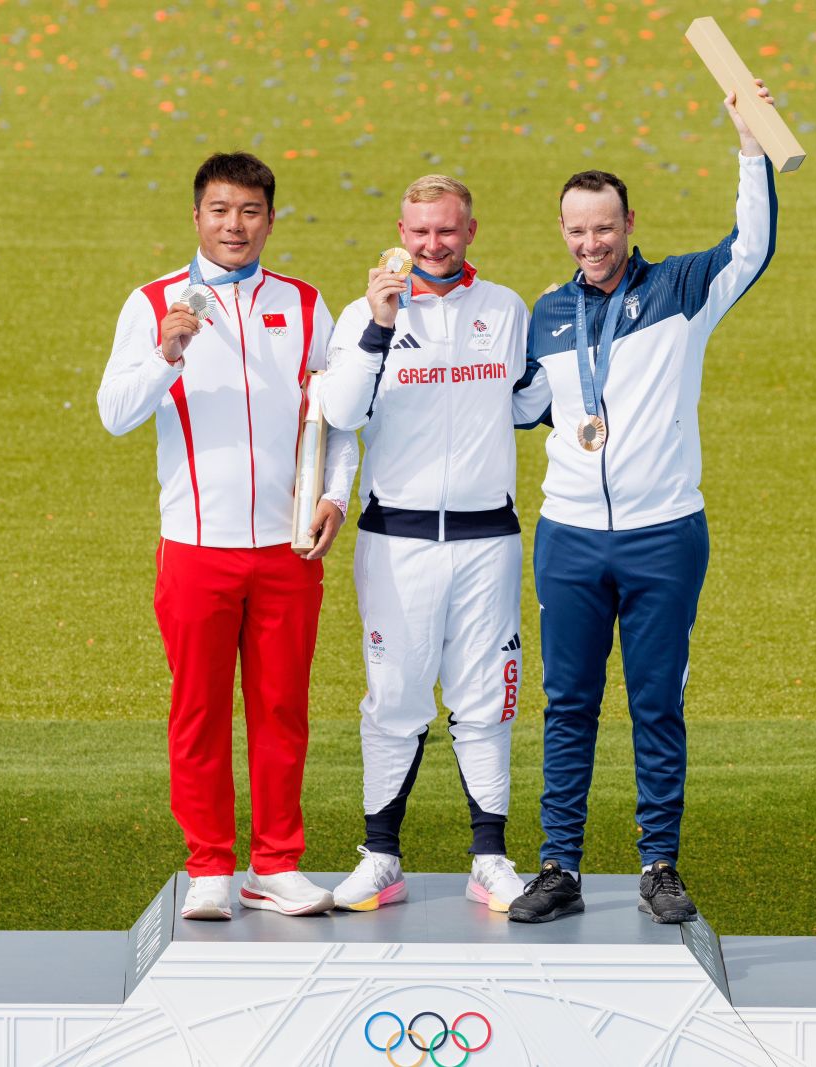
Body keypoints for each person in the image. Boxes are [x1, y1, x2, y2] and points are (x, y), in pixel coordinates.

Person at [507, 84, 780, 924]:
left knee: (657, 699)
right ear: (564, 231)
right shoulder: (547, 315)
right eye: (578, 228)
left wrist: (750, 146)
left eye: (605, 226)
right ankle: (560, 865)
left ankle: (658, 862)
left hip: (665, 533)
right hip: (570, 537)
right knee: (571, 703)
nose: (592, 241)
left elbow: (753, 246)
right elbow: (514, 405)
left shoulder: (683, 290)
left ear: (629, 224)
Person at [97, 151, 358, 921]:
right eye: (219, 210)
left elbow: (338, 419)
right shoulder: (152, 305)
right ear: (197, 216)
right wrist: (165, 354)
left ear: (270, 218)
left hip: (287, 549)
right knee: (199, 708)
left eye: (249, 211)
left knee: (282, 708)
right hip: (195, 546)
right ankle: (209, 864)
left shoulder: (308, 306)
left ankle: (274, 864)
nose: (234, 225)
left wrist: (335, 500)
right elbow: (115, 412)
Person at [318, 175, 541, 912]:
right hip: (397, 536)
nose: (432, 244)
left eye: (446, 231)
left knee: (488, 699)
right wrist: (381, 327)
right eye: (419, 232)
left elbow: (531, 401)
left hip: (488, 537)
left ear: (470, 230)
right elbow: (341, 410)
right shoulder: (361, 313)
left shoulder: (505, 308)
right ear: (400, 231)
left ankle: (490, 858)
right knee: (395, 698)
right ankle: (381, 855)